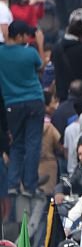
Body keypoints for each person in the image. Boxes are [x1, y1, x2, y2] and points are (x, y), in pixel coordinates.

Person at [0, 20, 45, 198]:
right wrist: (40, 44)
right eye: (25, 35)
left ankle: (12, 184)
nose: (27, 39)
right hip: (34, 100)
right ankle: (29, 185)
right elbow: (41, 66)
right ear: (19, 36)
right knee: (33, 143)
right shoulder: (30, 53)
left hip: (12, 104)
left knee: (17, 144)